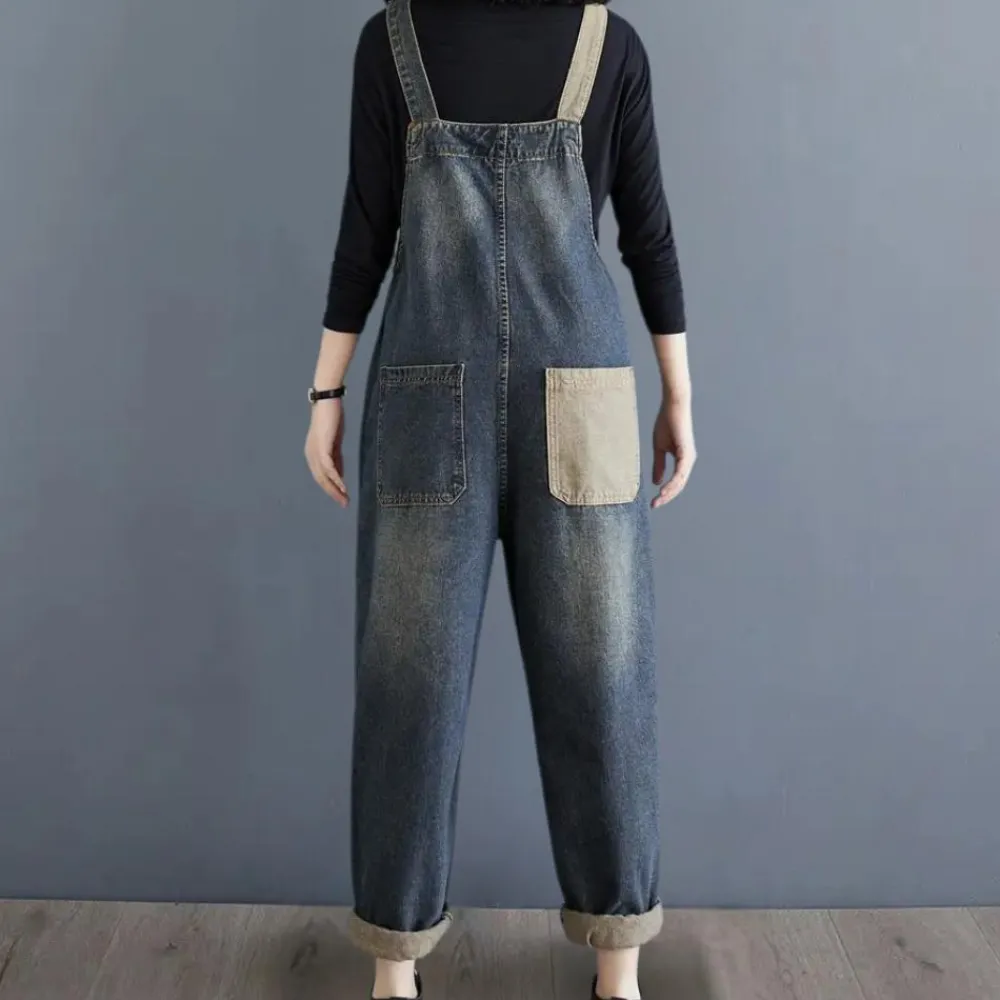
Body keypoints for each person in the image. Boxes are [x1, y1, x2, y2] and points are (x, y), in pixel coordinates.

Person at [304, 1, 695, 997]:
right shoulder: (409, 42)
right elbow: (646, 233)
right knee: (453, 684)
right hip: (569, 391)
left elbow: (368, 229)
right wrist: (677, 395)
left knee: (486, 682)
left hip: (437, 391)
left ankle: (414, 979)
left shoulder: (591, 45)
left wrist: (327, 392)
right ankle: (606, 975)